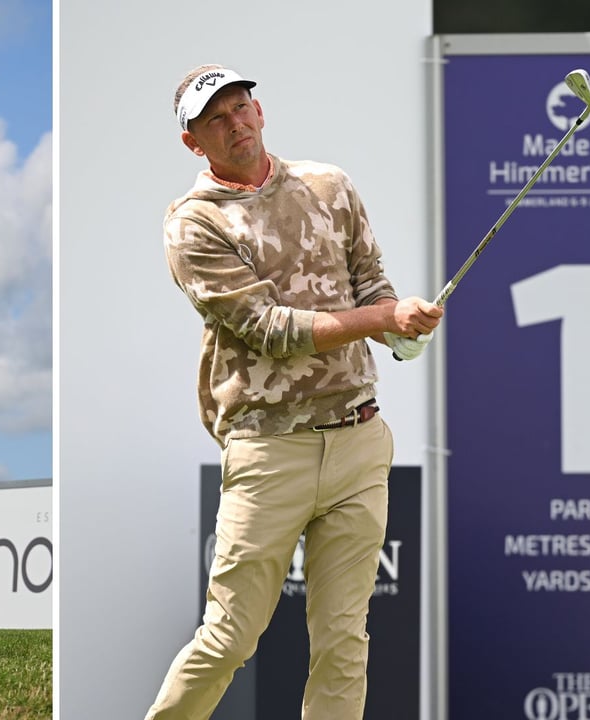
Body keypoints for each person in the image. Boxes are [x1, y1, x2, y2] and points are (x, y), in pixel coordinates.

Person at [146, 66, 442, 719]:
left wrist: (404, 329)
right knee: (229, 637)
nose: (236, 124)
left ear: (260, 110)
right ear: (193, 143)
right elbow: (269, 330)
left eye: (242, 107)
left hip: (359, 439)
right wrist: (382, 323)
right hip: (267, 451)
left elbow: (372, 288)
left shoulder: (328, 185)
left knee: (344, 642)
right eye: (216, 119)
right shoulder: (194, 225)